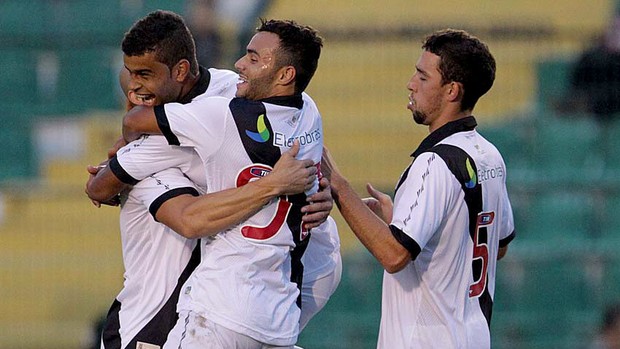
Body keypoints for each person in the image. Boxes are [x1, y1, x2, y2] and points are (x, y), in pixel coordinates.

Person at [85, 11, 340, 349]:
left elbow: (99, 186)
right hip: (229, 306)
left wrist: (320, 190)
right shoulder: (285, 104)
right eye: (129, 75)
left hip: (206, 310)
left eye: (144, 74)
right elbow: (303, 137)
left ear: (179, 70)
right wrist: (315, 187)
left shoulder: (223, 106)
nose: (134, 87)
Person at [321, 29, 516, 348]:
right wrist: (404, 222)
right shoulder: (489, 155)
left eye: (423, 77)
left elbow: (394, 254)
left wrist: (341, 188)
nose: (411, 83)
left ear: (452, 90)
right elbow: (498, 245)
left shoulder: (435, 163)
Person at [564, 7, 620, 121]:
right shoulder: (590, 58)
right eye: (614, 29)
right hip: (593, 115)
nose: (616, 34)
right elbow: (576, 90)